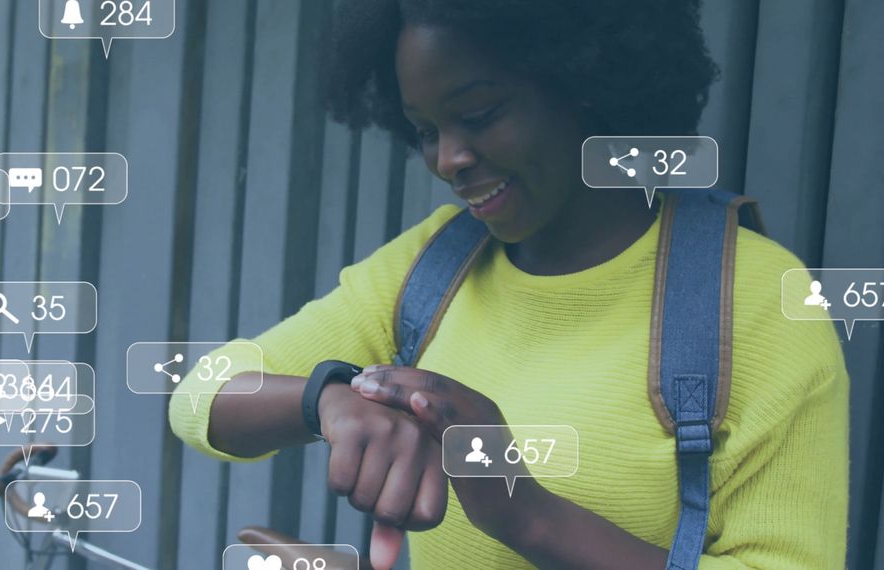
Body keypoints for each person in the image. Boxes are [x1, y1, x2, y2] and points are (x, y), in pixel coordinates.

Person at [170, 1, 849, 568]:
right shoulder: (438, 264)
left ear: (586, 78)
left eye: (480, 114)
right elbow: (203, 393)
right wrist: (330, 400)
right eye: (426, 130)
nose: (448, 159)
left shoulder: (757, 303)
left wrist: (527, 513)